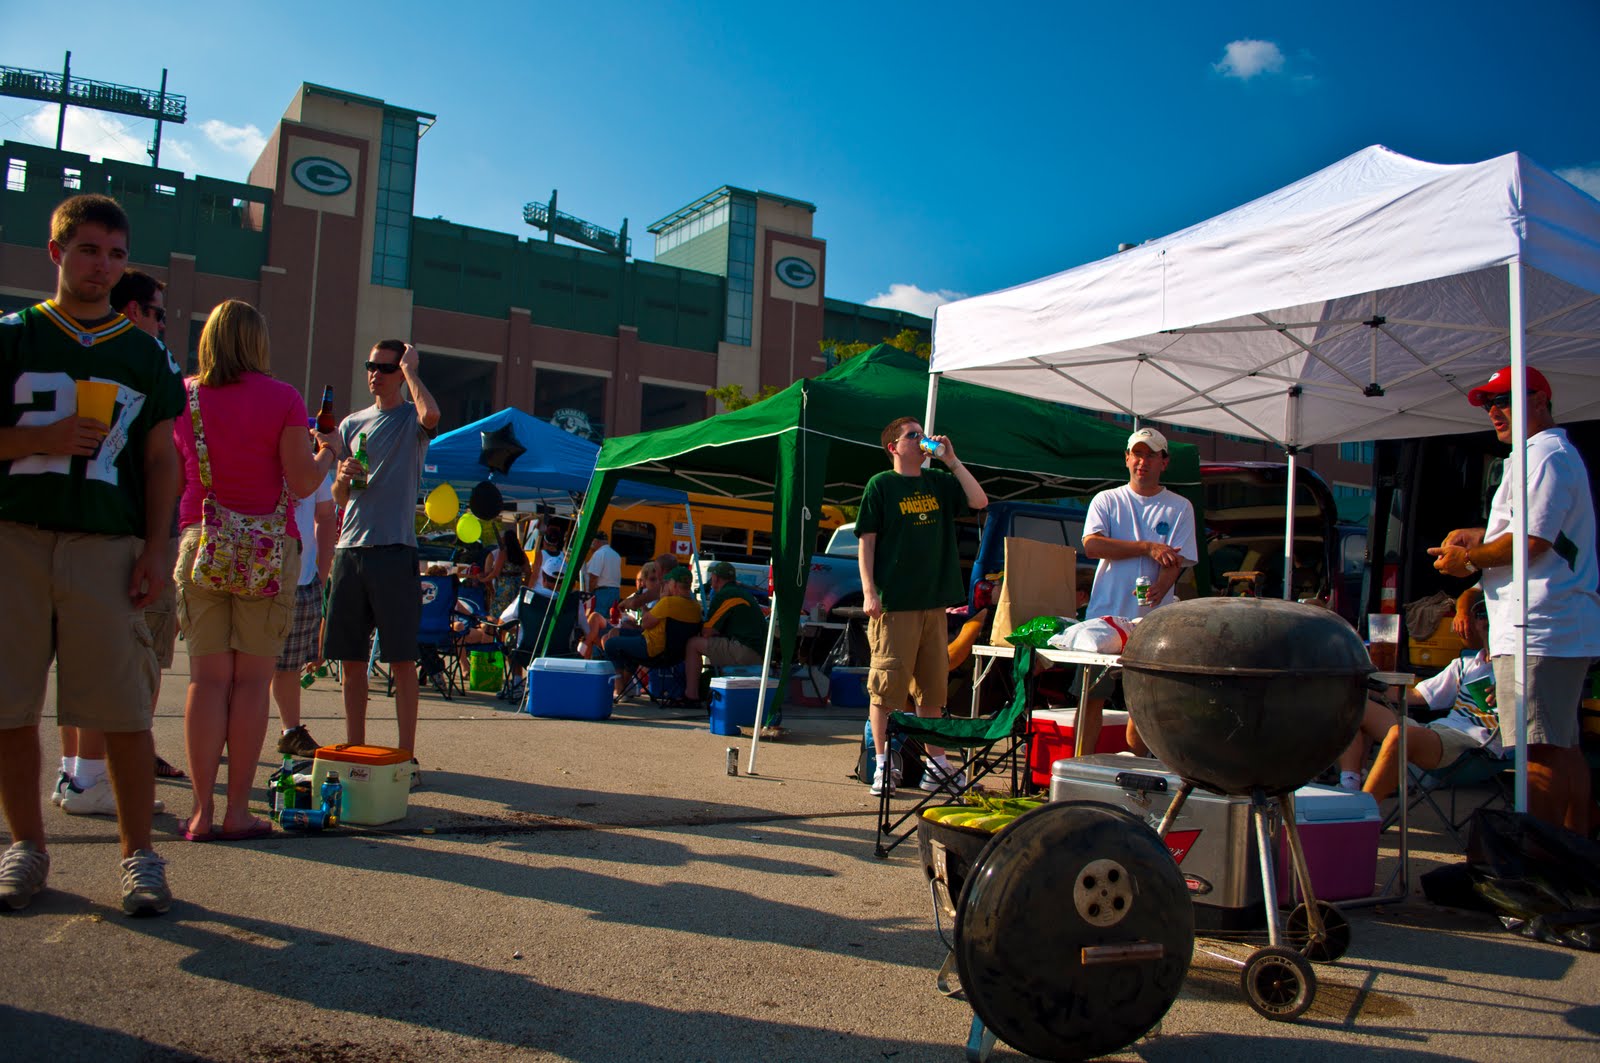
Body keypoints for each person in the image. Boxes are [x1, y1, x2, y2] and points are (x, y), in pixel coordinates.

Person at [0, 194, 184, 913]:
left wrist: (156, 544)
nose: (101, 266)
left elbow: (162, 456)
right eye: (87, 250)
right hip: (15, 536)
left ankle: (139, 854)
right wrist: (36, 441)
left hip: (107, 544)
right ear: (56, 252)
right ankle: (27, 844)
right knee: (12, 707)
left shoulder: (141, 352)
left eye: (114, 254)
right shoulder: (14, 337)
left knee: (124, 709)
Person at [173, 301, 338, 841]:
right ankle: (237, 811)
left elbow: (175, 474)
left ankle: (201, 811)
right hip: (266, 549)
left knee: (206, 681)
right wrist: (328, 452)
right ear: (257, 343)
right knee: (250, 684)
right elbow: (301, 482)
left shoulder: (186, 396)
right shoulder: (283, 399)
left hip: (203, 541)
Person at [1428, 364, 1600, 833]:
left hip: (1539, 625)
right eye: (1488, 404)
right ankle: (1575, 859)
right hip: (1550, 623)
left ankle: (1535, 867)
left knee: (1537, 753)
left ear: (1541, 400)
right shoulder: (1544, 455)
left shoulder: (1543, 455)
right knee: (1561, 747)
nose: (1495, 412)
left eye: (1505, 400)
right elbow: (1538, 535)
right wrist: (1480, 535)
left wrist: (1470, 560)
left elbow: (1531, 541)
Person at [54, 267, 183, 815]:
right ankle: (91, 780)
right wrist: (156, 543)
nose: (161, 322)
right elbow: (158, 457)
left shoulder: (78, 354)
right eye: (157, 311)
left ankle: (75, 775)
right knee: (127, 667)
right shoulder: (149, 363)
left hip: (79, 527)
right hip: (122, 529)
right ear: (133, 312)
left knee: (78, 664)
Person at [322, 340, 441, 782]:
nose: (375, 374)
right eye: (371, 366)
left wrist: (412, 372)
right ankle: (355, 749)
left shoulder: (411, 416)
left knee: (401, 659)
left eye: (385, 367)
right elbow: (339, 498)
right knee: (351, 662)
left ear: (400, 371)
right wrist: (341, 477)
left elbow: (433, 417)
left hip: (395, 551)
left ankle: (405, 759)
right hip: (350, 550)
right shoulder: (352, 422)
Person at [857, 418, 988, 797]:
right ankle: (883, 764)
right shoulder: (881, 485)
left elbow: (979, 501)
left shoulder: (939, 482)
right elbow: (867, 540)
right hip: (895, 604)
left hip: (934, 604)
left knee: (933, 692)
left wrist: (953, 460)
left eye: (922, 434)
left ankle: (936, 764)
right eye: (911, 435)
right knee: (886, 689)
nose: (921, 440)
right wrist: (869, 591)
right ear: (893, 448)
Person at [1079, 427, 1198, 757]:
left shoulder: (1179, 506)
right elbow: (1092, 545)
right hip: (1103, 620)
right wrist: (1147, 547)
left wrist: (1163, 584)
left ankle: (1140, 782)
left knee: (1142, 706)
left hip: (1153, 625)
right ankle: (1076, 771)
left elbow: (1178, 558)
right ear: (1127, 458)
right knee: (1091, 699)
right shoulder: (1107, 499)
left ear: (1164, 462)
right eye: (1137, 454)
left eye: (1150, 455)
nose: (1142, 462)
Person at [1337, 598, 1498, 798]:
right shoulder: (1465, 665)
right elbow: (1415, 695)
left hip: (1473, 744)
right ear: (1474, 623)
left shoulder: (1521, 669)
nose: (1488, 619)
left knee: (1400, 735)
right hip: (1437, 733)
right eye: (1482, 614)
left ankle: (1362, 814)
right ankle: (1349, 787)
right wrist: (1362, 684)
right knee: (1353, 705)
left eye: (1493, 612)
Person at [271, 467, 337, 759]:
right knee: (244, 668)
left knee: (289, 665)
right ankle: (226, 730)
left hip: (301, 578)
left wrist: (320, 573)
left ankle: (291, 731)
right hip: (257, 574)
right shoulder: (258, 445)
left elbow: (325, 516)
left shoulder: (315, 461)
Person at [603, 566, 703, 701]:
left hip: (652, 649)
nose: (665, 586)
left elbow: (645, 623)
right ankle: (624, 687)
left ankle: (619, 688)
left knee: (610, 644)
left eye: (667, 583)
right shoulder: (696, 607)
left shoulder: (668, 602)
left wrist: (651, 604)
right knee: (617, 633)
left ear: (673, 584)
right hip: (675, 656)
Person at [678, 560, 765, 707]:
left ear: (715, 578)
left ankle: (691, 696)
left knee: (693, 644)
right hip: (759, 651)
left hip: (746, 651)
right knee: (713, 645)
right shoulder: (741, 593)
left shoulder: (725, 595)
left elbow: (707, 631)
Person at [579, 559, 664, 659]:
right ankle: (586, 660)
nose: (641, 584)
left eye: (656, 579)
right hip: (622, 626)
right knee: (594, 617)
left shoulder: (658, 598)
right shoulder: (636, 595)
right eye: (639, 580)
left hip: (640, 635)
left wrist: (639, 608)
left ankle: (583, 651)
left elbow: (645, 623)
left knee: (609, 636)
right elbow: (622, 614)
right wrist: (617, 616)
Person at [484, 527, 531, 619]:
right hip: (517, 585)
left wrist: (483, 579)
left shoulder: (504, 553)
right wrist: (524, 584)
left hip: (505, 586)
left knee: (498, 613)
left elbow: (495, 572)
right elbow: (528, 572)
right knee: (512, 612)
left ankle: (495, 631)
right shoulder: (522, 554)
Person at [583, 530, 623, 620]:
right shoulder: (616, 555)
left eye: (592, 542)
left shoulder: (599, 553)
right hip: (615, 592)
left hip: (602, 593)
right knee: (610, 621)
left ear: (597, 541)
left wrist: (589, 593)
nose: (591, 545)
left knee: (596, 620)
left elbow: (593, 577)